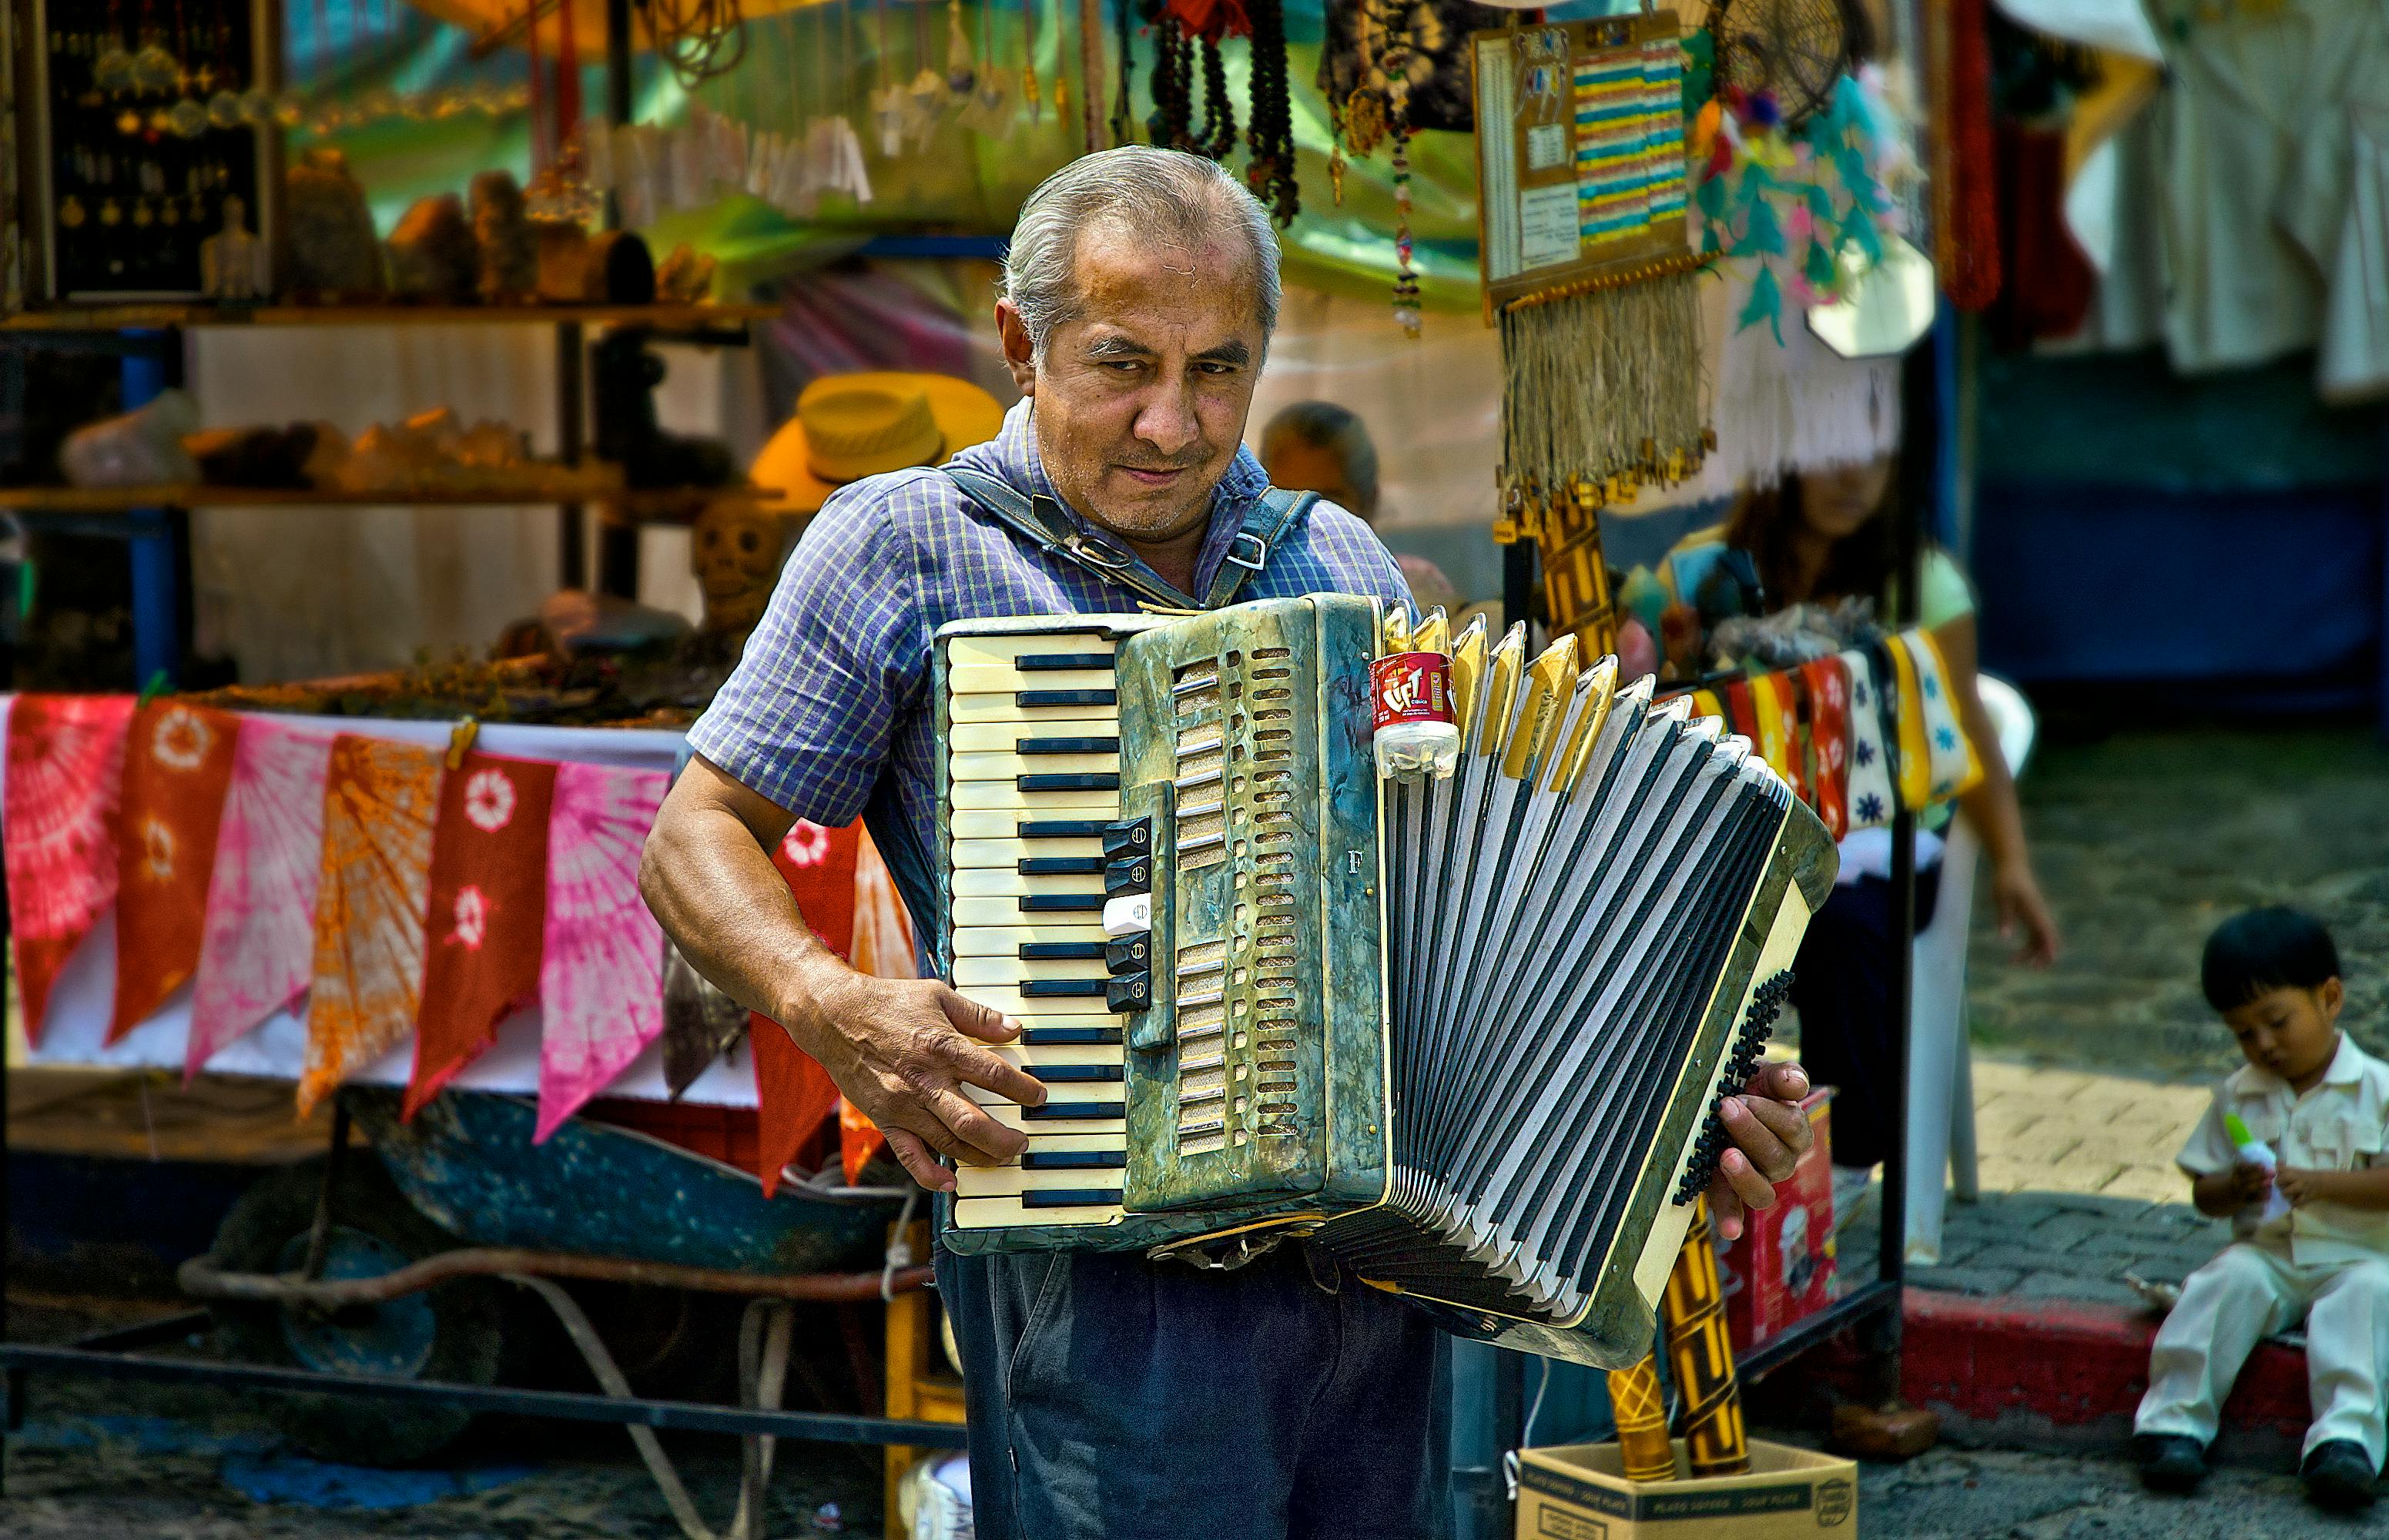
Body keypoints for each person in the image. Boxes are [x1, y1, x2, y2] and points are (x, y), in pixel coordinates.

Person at [640, 146, 1816, 1540]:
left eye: (1218, 371)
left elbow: (1471, 926)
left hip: (1375, 1282)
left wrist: (1686, 1115)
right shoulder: (902, 547)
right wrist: (829, 1002)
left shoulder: (1343, 568)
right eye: (1121, 364)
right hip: (1102, 1295)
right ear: (1019, 344)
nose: (1170, 423)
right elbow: (694, 832)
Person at [1672, 460, 2062, 1214]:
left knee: (1840, 928)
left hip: (1885, 848)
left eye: (1877, 462)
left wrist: (2012, 861)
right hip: (1753, 837)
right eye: (1832, 458)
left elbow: (1968, 724)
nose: (1853, 481)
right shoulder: (1708, 568)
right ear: (1785, 460)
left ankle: (1848, 1158)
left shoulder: (1922, 582)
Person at [2134, 907, 2389, 1511]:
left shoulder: (2377, 1088)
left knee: (2369, 1301)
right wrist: (2233, 1186)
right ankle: (2173, 1424)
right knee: (2219, 1283)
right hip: (2268, 1254)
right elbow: (2203, 1191)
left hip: (2360, 1256)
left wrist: (2324, 1185)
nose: (2264, 1044)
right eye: (2244, 1032)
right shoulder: (2238, 1093)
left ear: (2329, 998)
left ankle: (2345, 1441)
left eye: (2277, 1021)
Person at [1258, 399, 1462, 615]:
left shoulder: (1416, 586)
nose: (1307, 519)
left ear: (1369, 500)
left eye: (1328, 501)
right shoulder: (1247, 583)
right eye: (1285, 499)